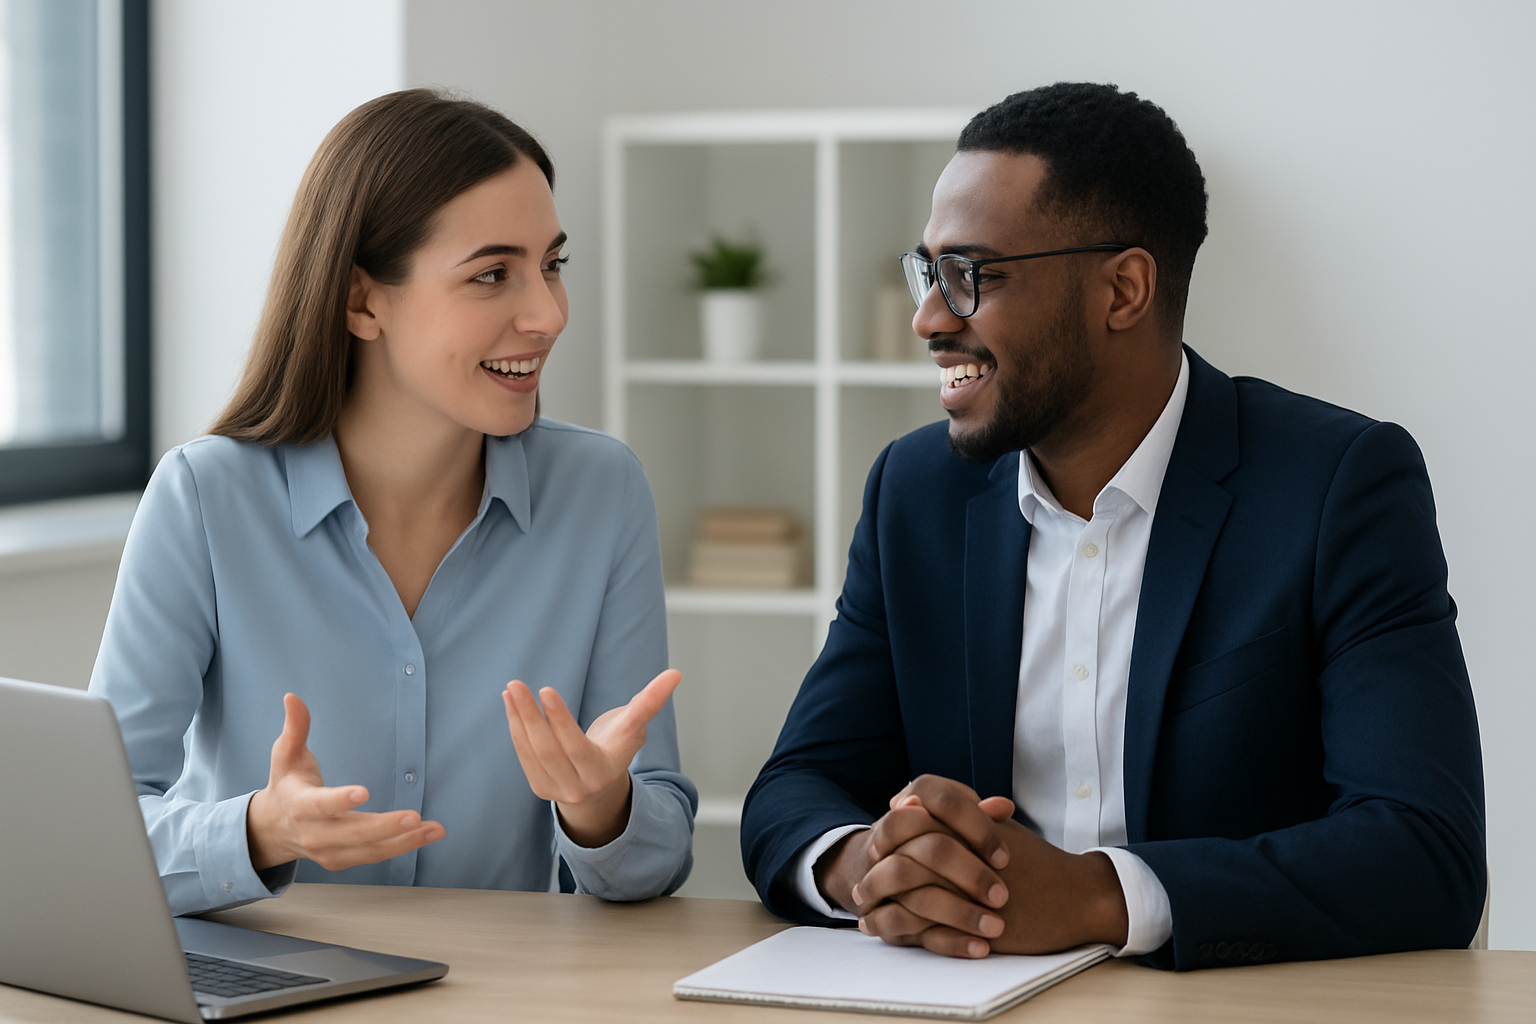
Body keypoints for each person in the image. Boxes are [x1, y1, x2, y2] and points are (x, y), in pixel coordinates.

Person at [740, 82, 1485, 970]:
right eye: (927, 271)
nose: (930, 318)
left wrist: (1098, 894)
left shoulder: (1337, 485)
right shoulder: (917, 490)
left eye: (970, 275)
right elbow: (796, 785)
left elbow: (1423, 850)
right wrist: (877, 863)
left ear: (1124, 289)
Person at [90, 89, 695, 916]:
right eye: (493, 274)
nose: (548, 314)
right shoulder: (205, 498)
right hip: (268, 983)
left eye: (551, 265)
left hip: (500, 996)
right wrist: (262, 832)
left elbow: (655, 859)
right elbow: (96, 832)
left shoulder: (602, 493)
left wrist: (599, 809)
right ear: (361, 301)